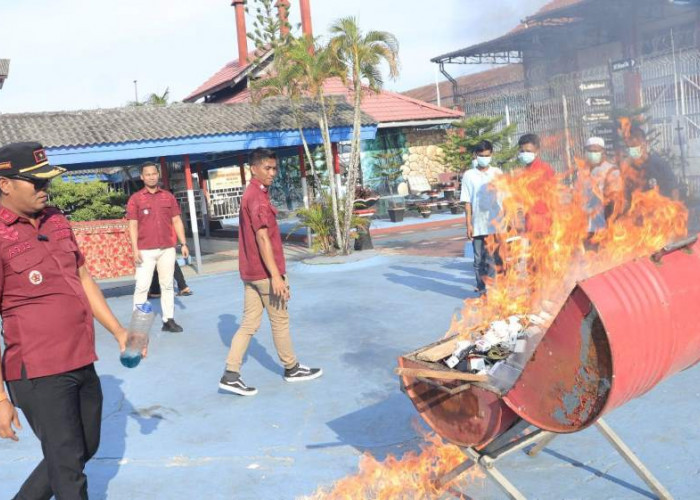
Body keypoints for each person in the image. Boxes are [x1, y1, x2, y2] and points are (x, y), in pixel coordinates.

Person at [0, 142, 138, 499]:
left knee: (83, 448)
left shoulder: (56, 219)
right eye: (36, 183)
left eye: (48, 181)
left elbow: (84, 278)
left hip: (81, 358)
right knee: (68, 472)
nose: (45, 189)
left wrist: (118, 330)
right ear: (5, 183)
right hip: (39, 370)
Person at [220, 148, 322, 396]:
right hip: (265, 274)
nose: (272, 173)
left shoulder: (251, 194)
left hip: (251, 273)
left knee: (248, 324)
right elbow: (263, 237)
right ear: (253, 168)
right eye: (267, 168)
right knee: (280, 322)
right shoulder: (256, 197)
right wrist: (276, 276)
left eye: (274, 168)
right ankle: (292, 368)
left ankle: (231, 375)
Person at [126, 162, 189, 333]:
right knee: (142, 287)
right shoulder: (136, 199)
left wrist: (183, 243)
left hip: (167, 249)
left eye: (154, 173)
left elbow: (176, 220)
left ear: (158, 175)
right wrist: (134, 249)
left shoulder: (168, 197)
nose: (152, 177)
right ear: (142, 177)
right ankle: (138, 325)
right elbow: (132, 225)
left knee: (167, 285)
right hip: (145, 250)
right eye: (148, 174)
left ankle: (168, 320)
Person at [460, 140, 504, 295]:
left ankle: (492, 288)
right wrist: (468, 225)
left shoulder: (497, 173)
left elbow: (504, 197)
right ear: (475, 155)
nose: (484, 158)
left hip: (495, 223)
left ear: (491, 154)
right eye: (481, 155)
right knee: (479, 259)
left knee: (493, 258)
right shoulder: (468, 175)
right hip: (478, 224)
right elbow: (467, 201)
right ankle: (481, 285)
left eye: (487, 155)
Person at [620, 126, 679, 209]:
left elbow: (673, 189)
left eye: (637, 145)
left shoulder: (659, 164)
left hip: (660, 214)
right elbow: (624, 197)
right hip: (637, 216)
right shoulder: (627, 170)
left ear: (645, 143)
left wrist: (674, 211)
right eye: (632, 147)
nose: (634, 148)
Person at [579, 137, 621, 238]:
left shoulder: (611, 170)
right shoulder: (582, 171)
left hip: (603, 227)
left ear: (603, 152)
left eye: (595, 151)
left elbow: (614, 201)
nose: (592, 153)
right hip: (586, 227)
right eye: (589, 151)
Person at [514, 133, 556, 236]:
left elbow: (554, 197)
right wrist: (519, 220)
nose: (525, 154)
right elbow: (518, 200)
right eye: (522, 151)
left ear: (537, 151)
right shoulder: (521, 174)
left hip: (544, 223)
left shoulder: (545, 170)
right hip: (528, 223)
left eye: (528, 151)